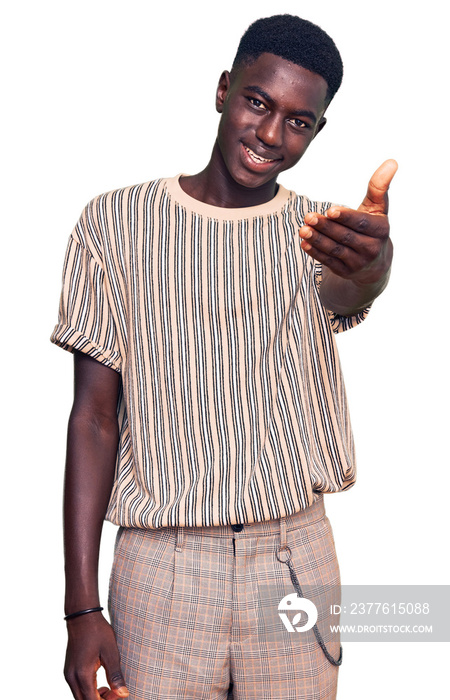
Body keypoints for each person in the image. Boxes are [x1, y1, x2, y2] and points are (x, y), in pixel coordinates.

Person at [51, 14, 397, 700]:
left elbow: (350, 285)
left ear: (318, 131)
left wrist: (377, 263)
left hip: (293, 560)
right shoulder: (114, 224)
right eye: (258, 102)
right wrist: (82, 607)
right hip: (162, 567)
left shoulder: (324, 234)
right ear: (223, 90)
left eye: (299, 122)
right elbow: (93, 418)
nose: (271, 134)